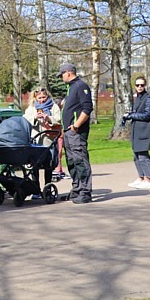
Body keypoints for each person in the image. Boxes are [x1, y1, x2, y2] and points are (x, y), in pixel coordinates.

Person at [58, 63, 94, 204]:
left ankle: (85, 191)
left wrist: (76, 125)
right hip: (67, 131)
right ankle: (77, 189)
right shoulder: (70, 88)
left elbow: (87, 107)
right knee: (72, 162)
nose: (61, 78)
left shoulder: (80, 86)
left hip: (76, 132)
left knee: (80, 160)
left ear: (68, 73)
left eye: (61, 75)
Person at [24, 87, 62, 198]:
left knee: (48, 166)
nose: (42, 100)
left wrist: (48, 118)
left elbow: (58, 119)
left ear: (48, 96)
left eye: (44, 97)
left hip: (49, 139)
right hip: (36, 139)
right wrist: (35, 117)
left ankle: (48, 189)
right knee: (34, 166)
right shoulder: (32, 108)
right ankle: (36, 190)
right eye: (39, 98)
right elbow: (25, 119)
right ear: (35, 97)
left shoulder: (53, 106)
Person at [124, 76, 150, 189]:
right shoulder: (138, 98)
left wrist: (132, 115)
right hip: (136, 130)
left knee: (143, 155)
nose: (139, 87)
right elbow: (137, 112)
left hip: (144, 131)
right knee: (136, 155)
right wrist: (128, 115)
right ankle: (141, 178)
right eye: (137, 85)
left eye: (142, 85)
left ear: (145, 86)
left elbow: (147, 115)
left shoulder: (148, 99)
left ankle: (148, 180)